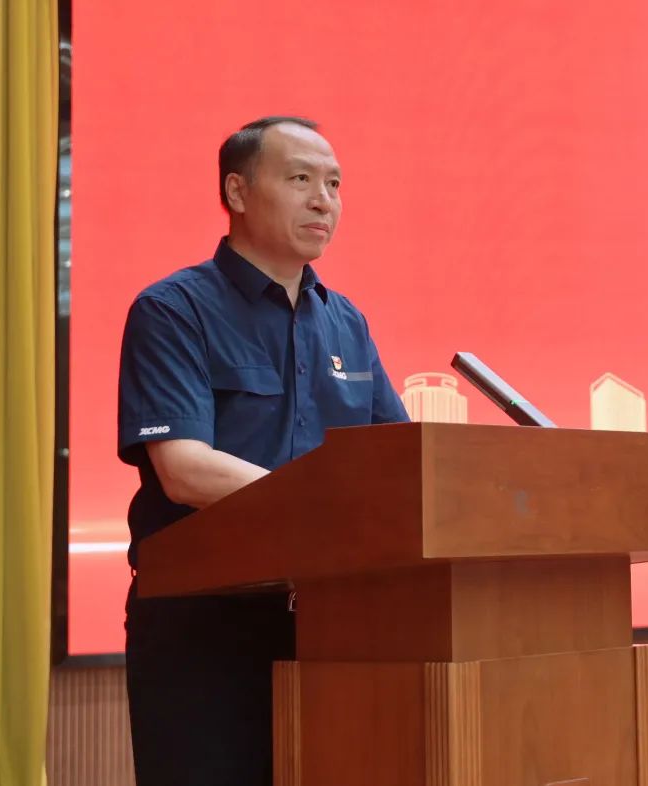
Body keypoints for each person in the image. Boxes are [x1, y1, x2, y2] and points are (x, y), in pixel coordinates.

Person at [118, 116, 410, 785]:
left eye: (334, 184)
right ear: (238, 192)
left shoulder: (347, 322)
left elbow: (394, 462)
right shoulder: (174, 310)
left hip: (335, 622)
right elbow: (185, 469)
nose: (323, 200)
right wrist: (325, 505)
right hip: (204, 624)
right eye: (301, 178)